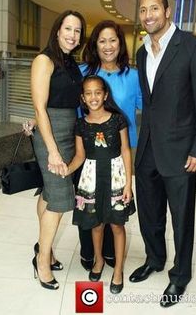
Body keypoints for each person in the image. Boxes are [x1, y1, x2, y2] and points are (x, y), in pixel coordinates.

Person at [129, 0, 196, 307]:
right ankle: (155, 259)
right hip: (148, 148)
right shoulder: (141, 53)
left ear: (167, 12)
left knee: (181, 218)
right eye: (143, 9)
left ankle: (180, 276)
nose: (148, 14)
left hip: (183, 151)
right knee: (150, 213)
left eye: (154, 8)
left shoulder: (194, 48)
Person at [60, 75, 135, 294]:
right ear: (83, 98)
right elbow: (80, 156)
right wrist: (67, 169)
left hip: (116, 178)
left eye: (98, 92)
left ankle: (118, 269)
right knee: (96, 224)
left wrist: (128, 184)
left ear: (105, 95)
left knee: (117, 225)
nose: (94, 97)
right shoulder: (81, 124)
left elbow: (125, 151)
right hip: (91, 179)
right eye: (88, 93)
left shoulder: (117, 119)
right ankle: (99, 260)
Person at [78, 20, 142, 271]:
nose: (107, 46)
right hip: (89, 150)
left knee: (113, 204)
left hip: (120, 151)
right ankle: (89, 251)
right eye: (102, 41)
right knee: (90, 202)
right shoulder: (84, 72)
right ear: (95, 44)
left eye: (112, 40)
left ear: (120, 43)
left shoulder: (134, 76)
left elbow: (146, 108)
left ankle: (109, 251)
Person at [30, 10, 86, 290]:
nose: (72, 35)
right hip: (50, 134)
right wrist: (52, 150)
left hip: (68, 129)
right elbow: (40, 107)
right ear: (57, 30)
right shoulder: (44, 59)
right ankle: (42, 261)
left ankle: (45, 250)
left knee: (50, 192)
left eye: (77, 31)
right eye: (68, 28)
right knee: (62, 198)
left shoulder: (71, 62)